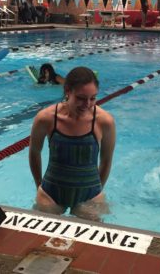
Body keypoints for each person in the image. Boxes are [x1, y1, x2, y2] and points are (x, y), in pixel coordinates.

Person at [29, 66, 116, 220]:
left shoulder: (104, 121)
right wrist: (39, 186)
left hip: (90, 196)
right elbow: (34, 152)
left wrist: (97, 191)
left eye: (93, 98)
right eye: (81, 98)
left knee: (90, 242)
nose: (87, 104)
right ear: (67, 91)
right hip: (50, 194)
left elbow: (106, 160)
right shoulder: (46, 118)